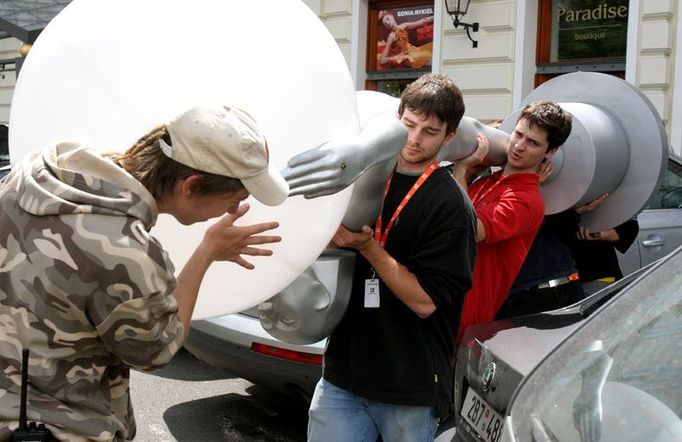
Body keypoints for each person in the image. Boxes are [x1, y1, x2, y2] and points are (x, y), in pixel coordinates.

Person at [0, 104, 287, 441]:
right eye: (235, 197)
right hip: (63, 429)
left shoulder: (36, 174)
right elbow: (157, 351)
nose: (235, 209)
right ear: (191, 185)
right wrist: (206, 252)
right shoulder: (123, 251)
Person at [307, 73, 477, 442]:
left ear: (449, 136)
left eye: (430, 132)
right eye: (409, 125)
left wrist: (368, 246)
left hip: (409, 389)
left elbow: (424, 302)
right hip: (342, 378)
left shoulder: (451, 206)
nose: (414, 140)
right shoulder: (367, 173)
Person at [451, 101, 573, 339]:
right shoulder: (486, 182)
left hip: (464, 315)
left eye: (533, 143)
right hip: (442, 299)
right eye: (518, 134)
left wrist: (460, 170)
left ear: (550, 151)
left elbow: (470, 230)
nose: (519, 146)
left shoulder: (526, 200)